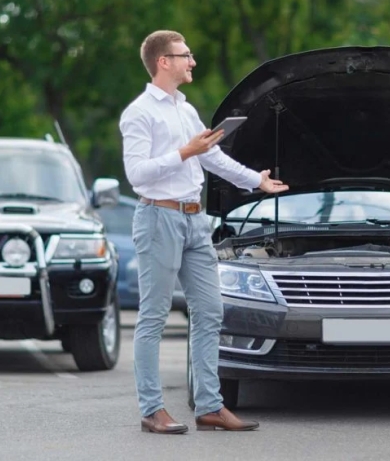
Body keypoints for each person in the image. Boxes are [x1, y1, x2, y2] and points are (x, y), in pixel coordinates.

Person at [119, 30, 289, 434]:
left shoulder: (184, 108)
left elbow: (212, 156)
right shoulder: (139, 112)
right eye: (185, 55)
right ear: (164, 61)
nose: (192, 61)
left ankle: (210, 407)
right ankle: (151, 410)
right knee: (154, 317)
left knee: (211, 312)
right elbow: (137, 175)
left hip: (197, 220)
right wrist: (185, 152)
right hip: (159, 218)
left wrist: (256, 180)